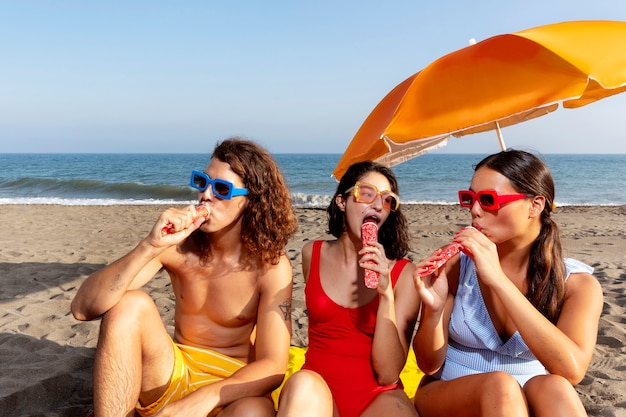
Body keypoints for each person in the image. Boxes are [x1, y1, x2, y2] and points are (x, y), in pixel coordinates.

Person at [71, 138, 298, 417]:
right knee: (129, 304)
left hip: (230, 386)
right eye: (202, 182)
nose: (206, 195)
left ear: (251, 202)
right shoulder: (178, 246)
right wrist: (150, 246)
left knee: (254, 411)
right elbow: (82, 308)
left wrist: (202, 399)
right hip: (173, 372)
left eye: (222, 189)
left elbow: (274, 364)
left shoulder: (270, 266)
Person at [412, 150, 603, 417]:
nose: (475, 211)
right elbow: (428, 365)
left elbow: (572, 370)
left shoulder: (577, 284)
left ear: (535, 205)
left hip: (529, 394)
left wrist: (499, 281)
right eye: (470, 199)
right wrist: (432, 312)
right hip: (448, 390)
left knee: (555, 387)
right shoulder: (455, 264)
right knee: (500, 385)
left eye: (488, 200)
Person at [276, 161, 421, 417]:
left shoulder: (404, 273)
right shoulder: (312, 253)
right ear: (342, 202)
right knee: (302, 386)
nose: (378, 205)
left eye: (388, 200)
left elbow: (387, 373)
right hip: (316, 389)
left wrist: (385, 295)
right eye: (367, 193)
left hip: (377, 396)